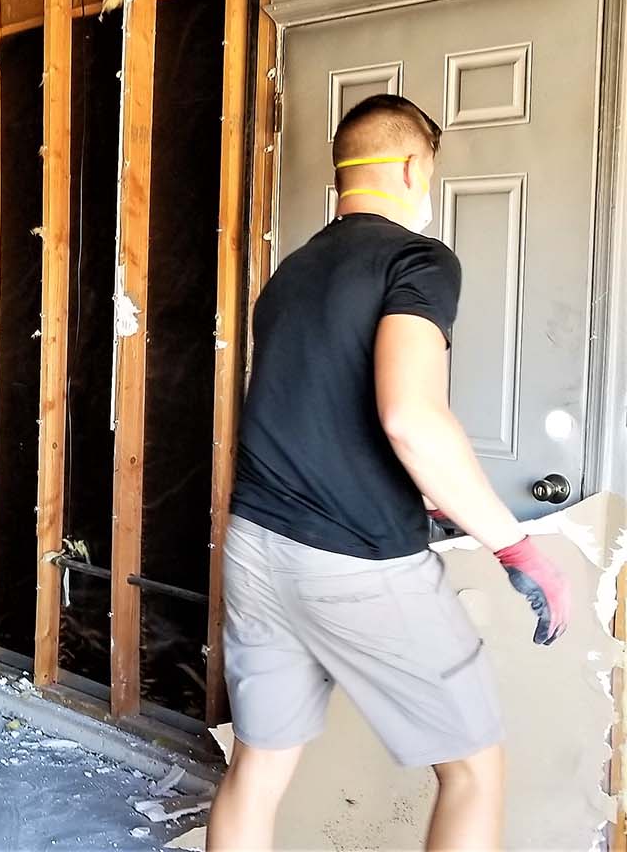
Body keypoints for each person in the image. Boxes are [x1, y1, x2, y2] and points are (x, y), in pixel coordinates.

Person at [207, 94, 572, 851]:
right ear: (412, 167)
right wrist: (517, 547)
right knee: (474, 771)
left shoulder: (291, 273)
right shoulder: (418, 259)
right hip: (354, 562)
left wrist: (418, 496)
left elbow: (326, 412)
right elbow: (409, 415)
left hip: (255, 548)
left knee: (256, 771)